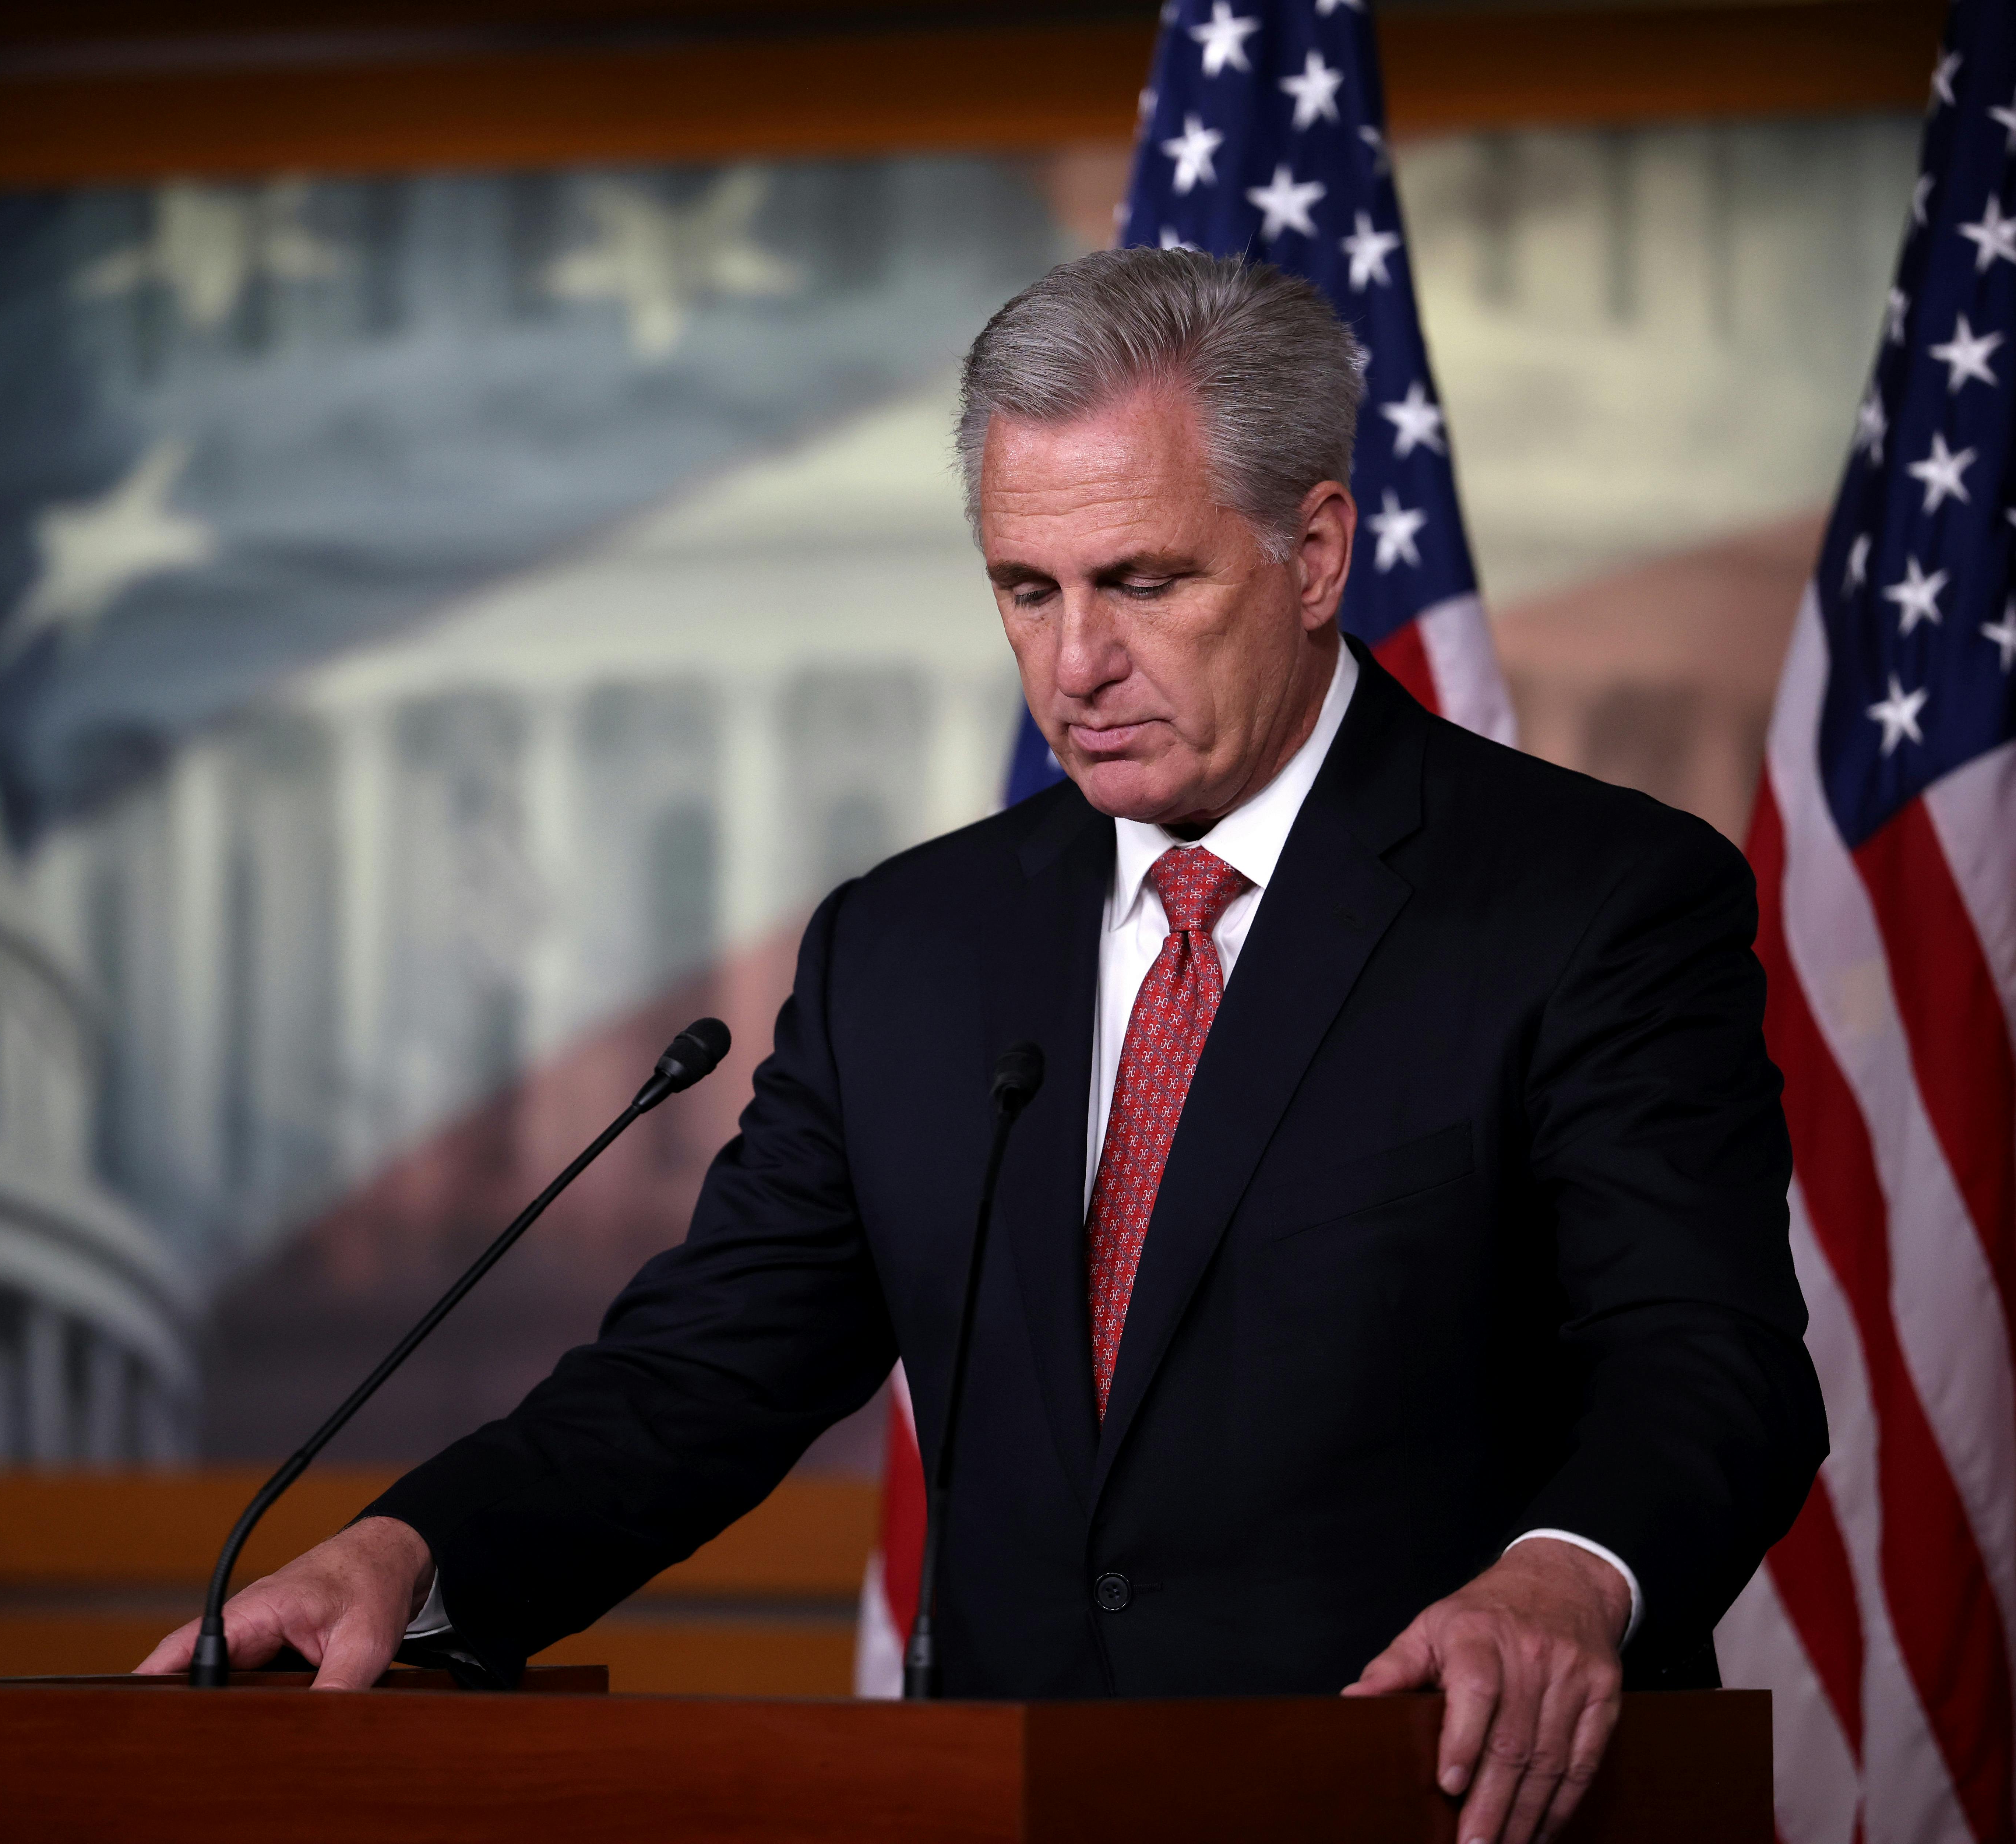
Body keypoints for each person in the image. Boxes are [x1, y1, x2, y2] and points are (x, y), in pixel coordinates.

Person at [142, 248, 1826, 1844]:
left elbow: (1706, 1357)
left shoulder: (1587, 898)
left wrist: (1565, 1575)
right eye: (1025, 588)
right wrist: (414, 1551)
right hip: (1022, 1804)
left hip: (1423, 1797)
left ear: (1314, 556)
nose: (1073, 663)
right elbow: (706, 1375)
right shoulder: (910, 948)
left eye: (1140, 582)